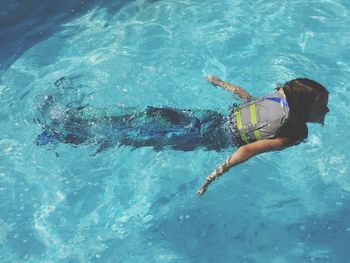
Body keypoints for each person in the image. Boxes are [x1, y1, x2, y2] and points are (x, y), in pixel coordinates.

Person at [196, 76, 329, 196]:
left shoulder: (278, 100)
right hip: (216, 139)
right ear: (302, 109)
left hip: (216, 118)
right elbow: (245, 150)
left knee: (182, 119)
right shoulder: (292, 135)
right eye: (322, 107)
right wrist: (211, 177)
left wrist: (219, 82)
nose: (327, 110)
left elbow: (246, 97)